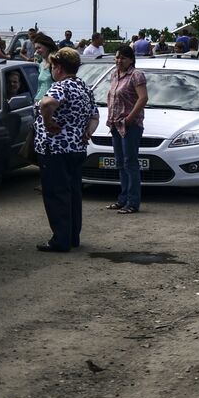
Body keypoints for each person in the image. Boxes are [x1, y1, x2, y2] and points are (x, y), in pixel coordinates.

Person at [35, 47, 96, 252]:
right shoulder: (84, 87)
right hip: (77, 148)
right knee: (72, 193)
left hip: (56, 148)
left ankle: (60, 240)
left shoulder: (60, 86)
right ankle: (72, 236)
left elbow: (47, 103)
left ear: (58, 68)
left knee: (56, 194)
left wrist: (48, 121)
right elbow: (95, 116)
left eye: (53, 66)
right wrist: (88, 131)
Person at [105, 46, 148, 214]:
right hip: (115, 124)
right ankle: (122, 199)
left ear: (131, 59)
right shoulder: (114, 74)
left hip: (131, 125)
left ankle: (133, 202)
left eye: (122, 58)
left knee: (131, 163)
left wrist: (130, 118)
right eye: (117, 57)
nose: (118, 61)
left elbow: (143, 98)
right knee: (120, 163)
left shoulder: (136, 75)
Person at [31, 34, 58, 103]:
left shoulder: (56, 65)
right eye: (36, 48)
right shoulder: (41, 65)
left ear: (48, 47)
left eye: (39, 48)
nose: (37, 51)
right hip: (39, 102)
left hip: (50, 105)